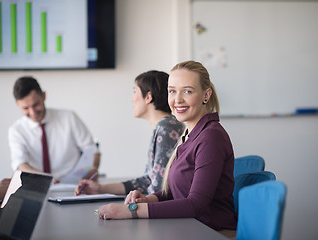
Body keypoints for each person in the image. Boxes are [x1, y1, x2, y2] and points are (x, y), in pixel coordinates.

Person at [96, 61, 237, 235]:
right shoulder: (189, 134)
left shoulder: (211, 137)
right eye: (172, 91)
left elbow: (195, 205)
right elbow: (175, 193)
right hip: (188, 228)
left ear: (205, 95)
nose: (177, 99)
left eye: (187, 91)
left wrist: (131, 211)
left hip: (212, 232)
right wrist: (147, 199)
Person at [75, 70, 184, 196]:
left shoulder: (167, 127)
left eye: (135, 92)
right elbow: (148, 181)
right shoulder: (164, 126)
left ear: (148, 97)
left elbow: (159, 189)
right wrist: (100, 188)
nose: (132, 99)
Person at [8, 76, 96, 183]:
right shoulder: (16, 130)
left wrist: (93, 168)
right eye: (25, 108)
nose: (32, 112)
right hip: (38, 185)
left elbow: (91, 149)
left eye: (35, 105)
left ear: (44, 96)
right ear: (17, 104)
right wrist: (47, 179)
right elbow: (21, 164)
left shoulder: (69, 117)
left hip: (73, 185)